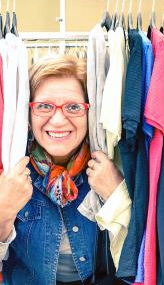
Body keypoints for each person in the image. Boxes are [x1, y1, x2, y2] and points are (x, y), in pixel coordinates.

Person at [0, 55, 131, 284]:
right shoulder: (9, 171)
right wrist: (3, 211)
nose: (58, 120)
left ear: (89, 112)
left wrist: (117, 196)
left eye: (73, 107)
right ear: (28, 116)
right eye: (44, 106)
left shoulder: (114, 165)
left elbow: (143, 256)